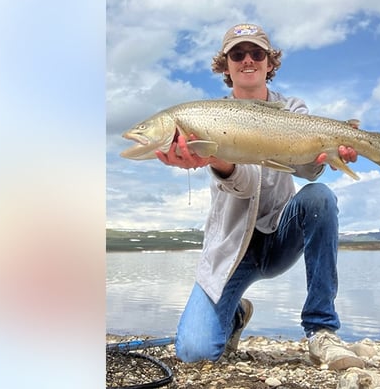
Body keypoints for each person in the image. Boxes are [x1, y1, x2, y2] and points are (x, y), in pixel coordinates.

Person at [155, 23, 364, 370]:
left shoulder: (294, 108)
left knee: (319, 197)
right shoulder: (207, 117)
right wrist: (216, 159)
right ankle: (235, 313)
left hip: (282, 236)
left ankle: (321, 329)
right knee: (194, 351)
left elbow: (308, 171)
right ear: (226, 65)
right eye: (237, 54)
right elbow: (246, 185)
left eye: (257, 53)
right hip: (233, 249)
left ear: (270, 62)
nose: (247, 59)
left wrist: (333, 152)